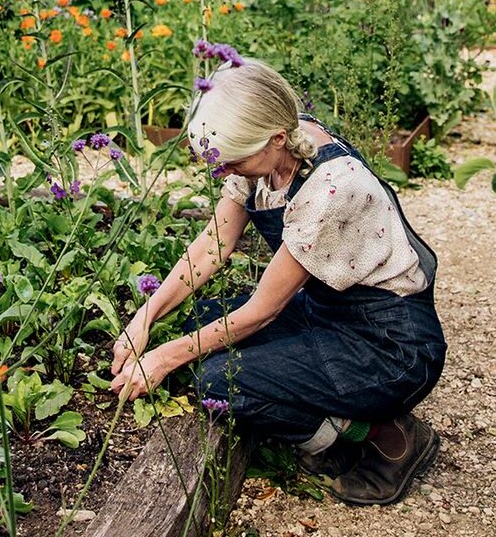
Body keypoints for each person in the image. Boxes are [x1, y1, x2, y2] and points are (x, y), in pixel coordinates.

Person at [109, 58, 446, 506]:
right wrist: (145, 318)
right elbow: (214, 244)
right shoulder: (272, 144)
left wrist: (163, 359)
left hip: (388, 344)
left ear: (278, 139)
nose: (223, 172)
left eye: (233, 162)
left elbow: (263, 309)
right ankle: (342, 413)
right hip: (329, 310)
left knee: (222, 381)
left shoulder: (329, 186)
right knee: (202, 319)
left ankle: (371, 436)